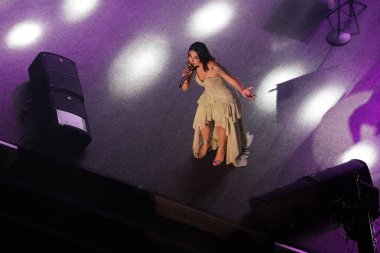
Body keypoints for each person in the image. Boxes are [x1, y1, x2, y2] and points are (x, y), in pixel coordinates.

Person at [181, 42, 255, 166]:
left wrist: (242, 90)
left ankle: (221, 149)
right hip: (209, 96)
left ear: (202, 56)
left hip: (224, 98)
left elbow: (230, 78)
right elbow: (184, 88)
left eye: (196, 57)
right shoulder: (193, 67)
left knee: (221, 126)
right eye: (190, 56)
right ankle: (206, 143)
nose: (192, 60)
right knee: (203, 122)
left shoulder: (213, 66)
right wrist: (186, 77)